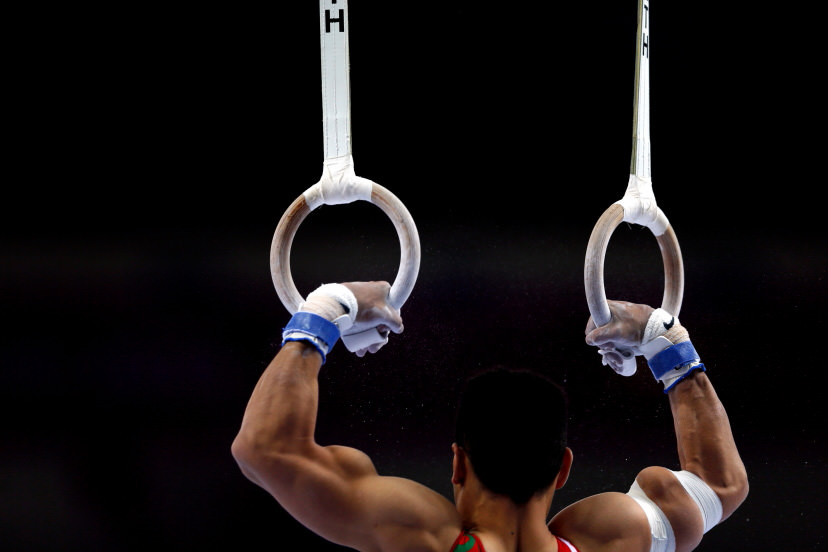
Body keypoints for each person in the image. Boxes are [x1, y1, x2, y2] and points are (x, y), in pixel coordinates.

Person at [231, 281, 748, 552]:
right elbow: (720, 486)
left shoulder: (420, 537)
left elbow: (264, 449)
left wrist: (326, 311)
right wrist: (666, 342)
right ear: (563, 468)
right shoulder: (611, 538)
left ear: (458, 463)